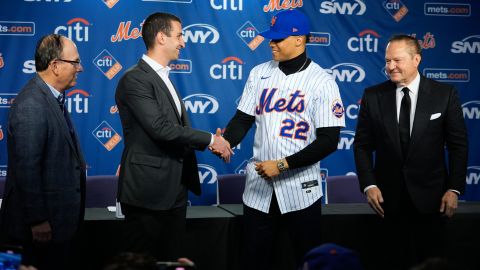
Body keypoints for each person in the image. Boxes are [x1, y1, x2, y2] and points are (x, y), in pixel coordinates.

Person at [222, 9, 345, 269]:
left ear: (299, 39)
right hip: (258, 189)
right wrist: (226, 142)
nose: (271, 43)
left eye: (278, 38)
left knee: (306, 260)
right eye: (271, 37)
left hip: (301, 191)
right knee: (254, 261)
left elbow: (328, 140)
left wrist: (282, 165)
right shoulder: (259, 73)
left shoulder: (323, 82)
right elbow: (242, 119)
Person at [114, 12, 231, 261]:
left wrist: (208, 141)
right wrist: (211, 139)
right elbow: (160, 128)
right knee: (139, 263)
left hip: (175, 189)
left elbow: (173, 130)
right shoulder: (134, 79)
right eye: (179, 35)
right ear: (160, 37)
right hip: (147, 192)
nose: (183, 42)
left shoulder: (163, 77)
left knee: (172, 260)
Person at [353, 35, 468, 269]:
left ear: (416, 59)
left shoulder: (444, 94)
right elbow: (362, 145)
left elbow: (458, 146)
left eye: (397, 60)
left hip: (433, 202)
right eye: (387, 61)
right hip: (387, 203)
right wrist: (369, 184)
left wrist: (454, 189)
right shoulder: (373, 95)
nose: (390, 66)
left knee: (432, 262)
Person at [0, 34, 86, 270]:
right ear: (55, 66)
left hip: (58, 226)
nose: (81, 68)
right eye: (75, 62)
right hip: (37, 232)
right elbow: (28, 168)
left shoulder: (51, 98)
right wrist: (38, 220)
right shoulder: (32, 104)